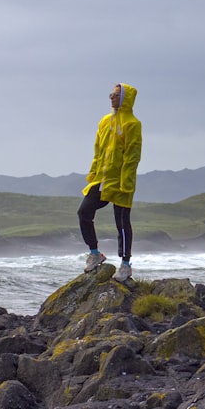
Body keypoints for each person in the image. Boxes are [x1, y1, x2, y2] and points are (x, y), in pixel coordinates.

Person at [77, 82, 142, 282]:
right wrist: (93, 174)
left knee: (122, 224)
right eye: (111, 94)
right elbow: (98, 151)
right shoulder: (104, 121)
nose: (111, 97)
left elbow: (132, 156)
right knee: (84, 212)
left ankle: (125, 264)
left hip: (122, 182)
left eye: (115, 94)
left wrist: (127, 183)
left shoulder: (132, 124)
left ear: (125, 97)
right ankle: (95, 253)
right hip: (102, 180)